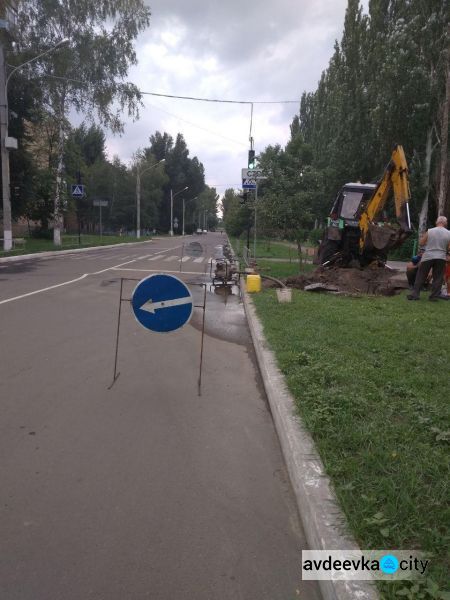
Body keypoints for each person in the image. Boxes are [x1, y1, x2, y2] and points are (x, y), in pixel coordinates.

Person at [407, 216, 450, 301]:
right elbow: (449, 247)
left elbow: (421, 243)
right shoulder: (449, 233)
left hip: (428, 256)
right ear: (445, 223)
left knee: (421, 275)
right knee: (438, 277)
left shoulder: (430, 231)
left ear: (436, 222)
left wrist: (429, 243)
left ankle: (415, 295)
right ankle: (434, 296)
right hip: (441, 257)